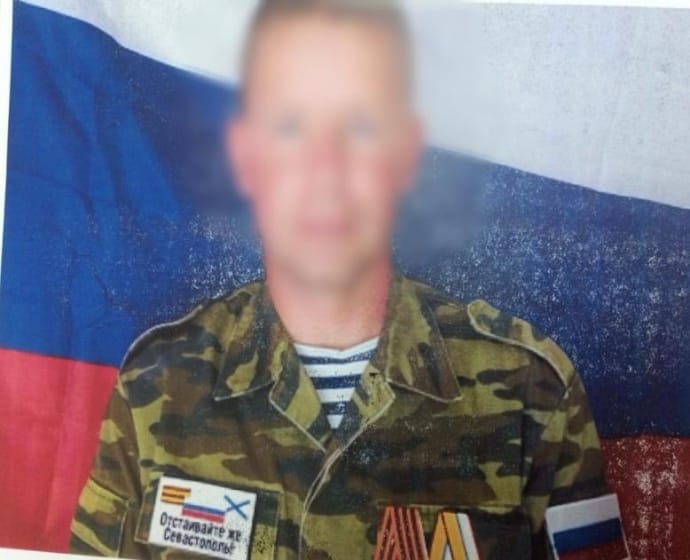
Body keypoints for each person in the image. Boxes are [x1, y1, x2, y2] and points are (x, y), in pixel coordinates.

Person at [70, 1, 611, 559]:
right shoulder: (156, 386)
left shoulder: (534, 391)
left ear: (404, 155)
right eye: (290, 125)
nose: (324, 167)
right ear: (246, 155)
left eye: (360, 124)